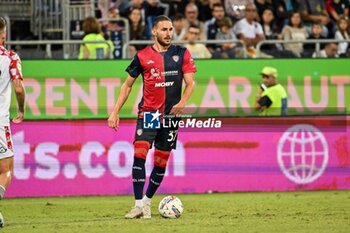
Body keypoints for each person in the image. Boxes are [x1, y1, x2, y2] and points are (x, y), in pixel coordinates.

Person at [107, 15, 196, 219]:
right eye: (164, 29)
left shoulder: (182, 53)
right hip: (150, 114)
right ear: (154, 32)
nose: (168, 33)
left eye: (171, 29)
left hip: (171, 116)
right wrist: (115, 111)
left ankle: (147, 202)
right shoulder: (142, 56)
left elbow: (191, 82)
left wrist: (182, 102)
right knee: (139, 154)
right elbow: (127, 85)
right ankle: (138, 205)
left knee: (161, 162)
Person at [0, 17, 26, 227]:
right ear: (3, 34)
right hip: (0, 120)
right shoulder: (10, 57)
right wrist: (21, 108)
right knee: (5, 169)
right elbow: (18, 88)